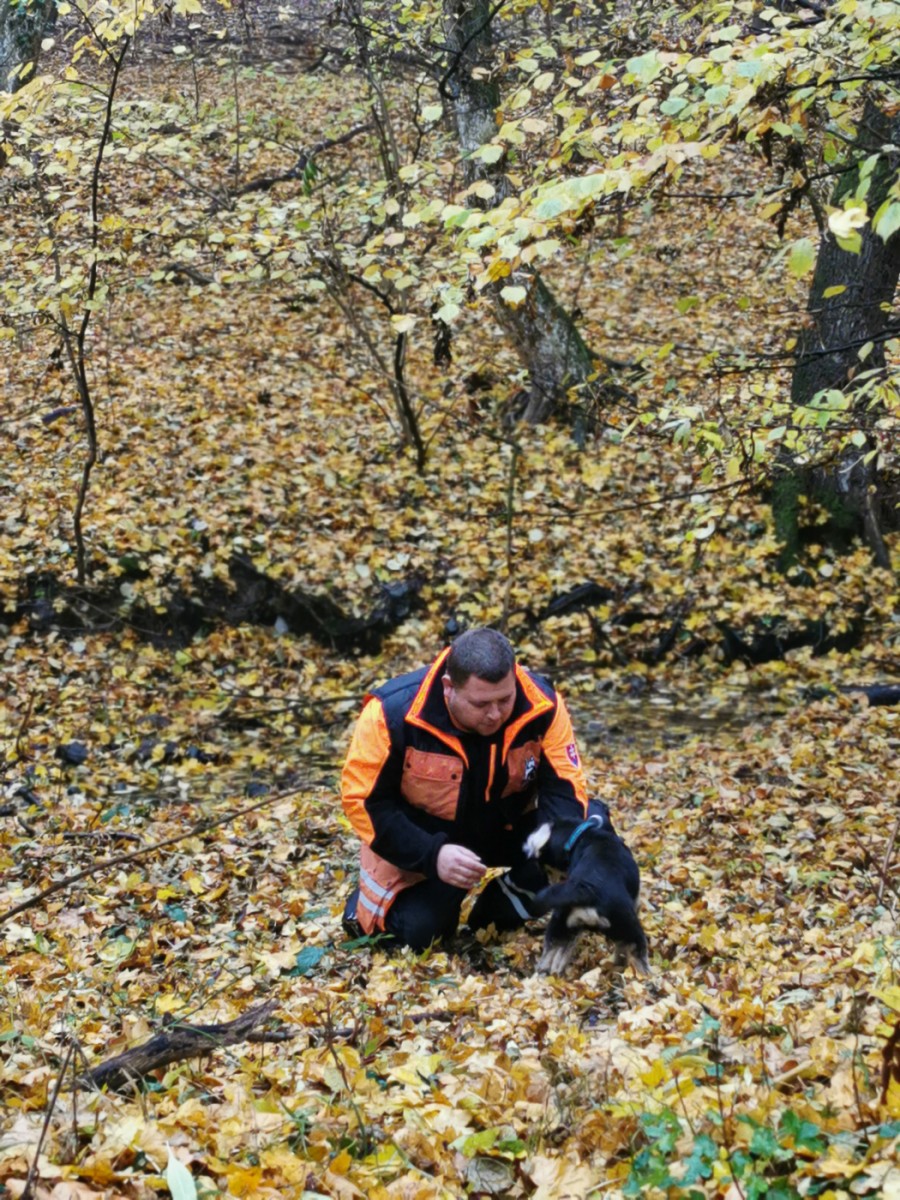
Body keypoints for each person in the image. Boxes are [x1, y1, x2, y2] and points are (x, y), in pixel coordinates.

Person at [340, 627, 589, 950]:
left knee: (585, 834)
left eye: (505, 699)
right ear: (449, 688)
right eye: (481, 703)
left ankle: (500, 906)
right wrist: (433, 855)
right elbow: (363, 802)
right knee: (422, 933)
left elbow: (566, 791)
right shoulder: (390, 714)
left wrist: (555, 850)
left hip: (505, 825)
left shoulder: (543, 704)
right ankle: (372, 908)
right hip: (427, 837)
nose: (495, 714)